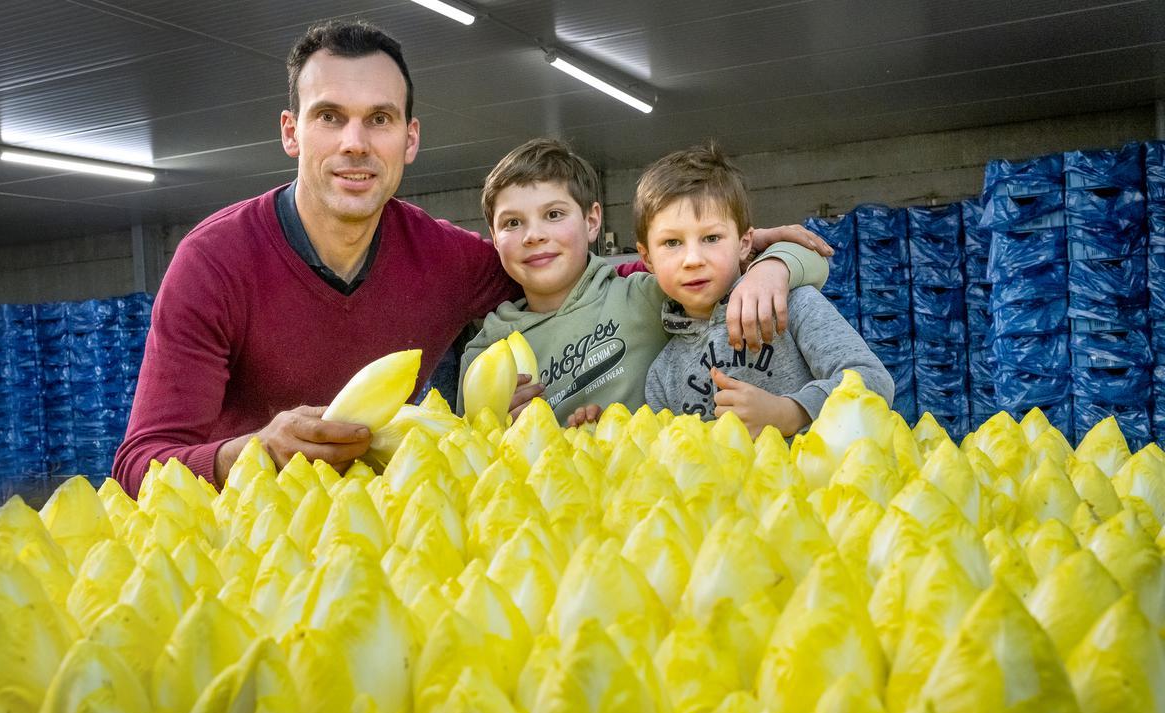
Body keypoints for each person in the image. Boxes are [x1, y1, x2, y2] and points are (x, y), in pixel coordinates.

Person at [111, 20, 831, 494]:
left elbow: (626, 275)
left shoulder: (451, 261)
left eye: (380, 120)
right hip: (241, 553)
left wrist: (768, 261)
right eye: (330, 117)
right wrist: (254, 450)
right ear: (292, 133)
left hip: (388, 535)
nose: (356, 143)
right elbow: (140, 464)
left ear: (410, 140)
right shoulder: (214, 261)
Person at [458, 138, 829, 425]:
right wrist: (496, 425)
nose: (533, 235)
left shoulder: (645, 296)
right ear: (492, 235)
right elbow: (468, 448)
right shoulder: (487, 350)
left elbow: (817, 261)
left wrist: (771, 266)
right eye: (512, 223)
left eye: (553, 214)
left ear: (592, 221)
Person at [639, 144, 894, 438]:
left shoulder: (793, 303)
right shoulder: (661, 374)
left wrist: (791, 412)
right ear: (647, 258)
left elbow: (875, 383)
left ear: (745, 243)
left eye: (711, 237)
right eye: (672, 243)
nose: (693, 259)